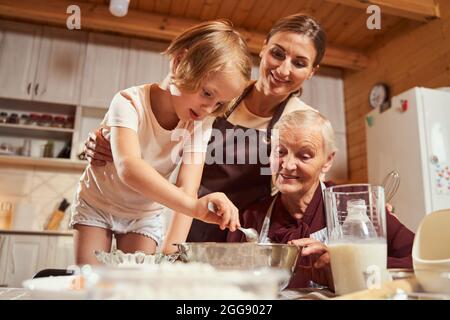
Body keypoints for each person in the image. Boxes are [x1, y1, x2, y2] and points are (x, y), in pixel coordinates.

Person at [84, 14, 327, 253]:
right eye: (277, 53)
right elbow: (152, 129)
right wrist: (106, 141)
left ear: (312, 72)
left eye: (299, 62)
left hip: (244, 231)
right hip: (187, 216)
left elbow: (307, 191)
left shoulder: (304, 122)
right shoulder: (217, 91)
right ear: (263, 49)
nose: (283, 69)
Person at [71, 20, 252, 265]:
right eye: (207, 93)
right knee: (89, 281)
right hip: (97, 204)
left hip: (143, 215)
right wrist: (196, 208)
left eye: (219, 103)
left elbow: (188, 187)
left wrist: (172, 252)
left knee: (137, 287)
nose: (209, 108)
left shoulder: (200, 123)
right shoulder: (128, 102)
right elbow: (130, 168)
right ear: (179, 62)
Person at [227, 110, 415, 289]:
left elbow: (420, 260)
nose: (288, 165)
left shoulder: (358, 204)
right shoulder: (250, 218)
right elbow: (226, 282)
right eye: (280, 152)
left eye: (304, 156)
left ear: (328, 161)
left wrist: (346, 267)